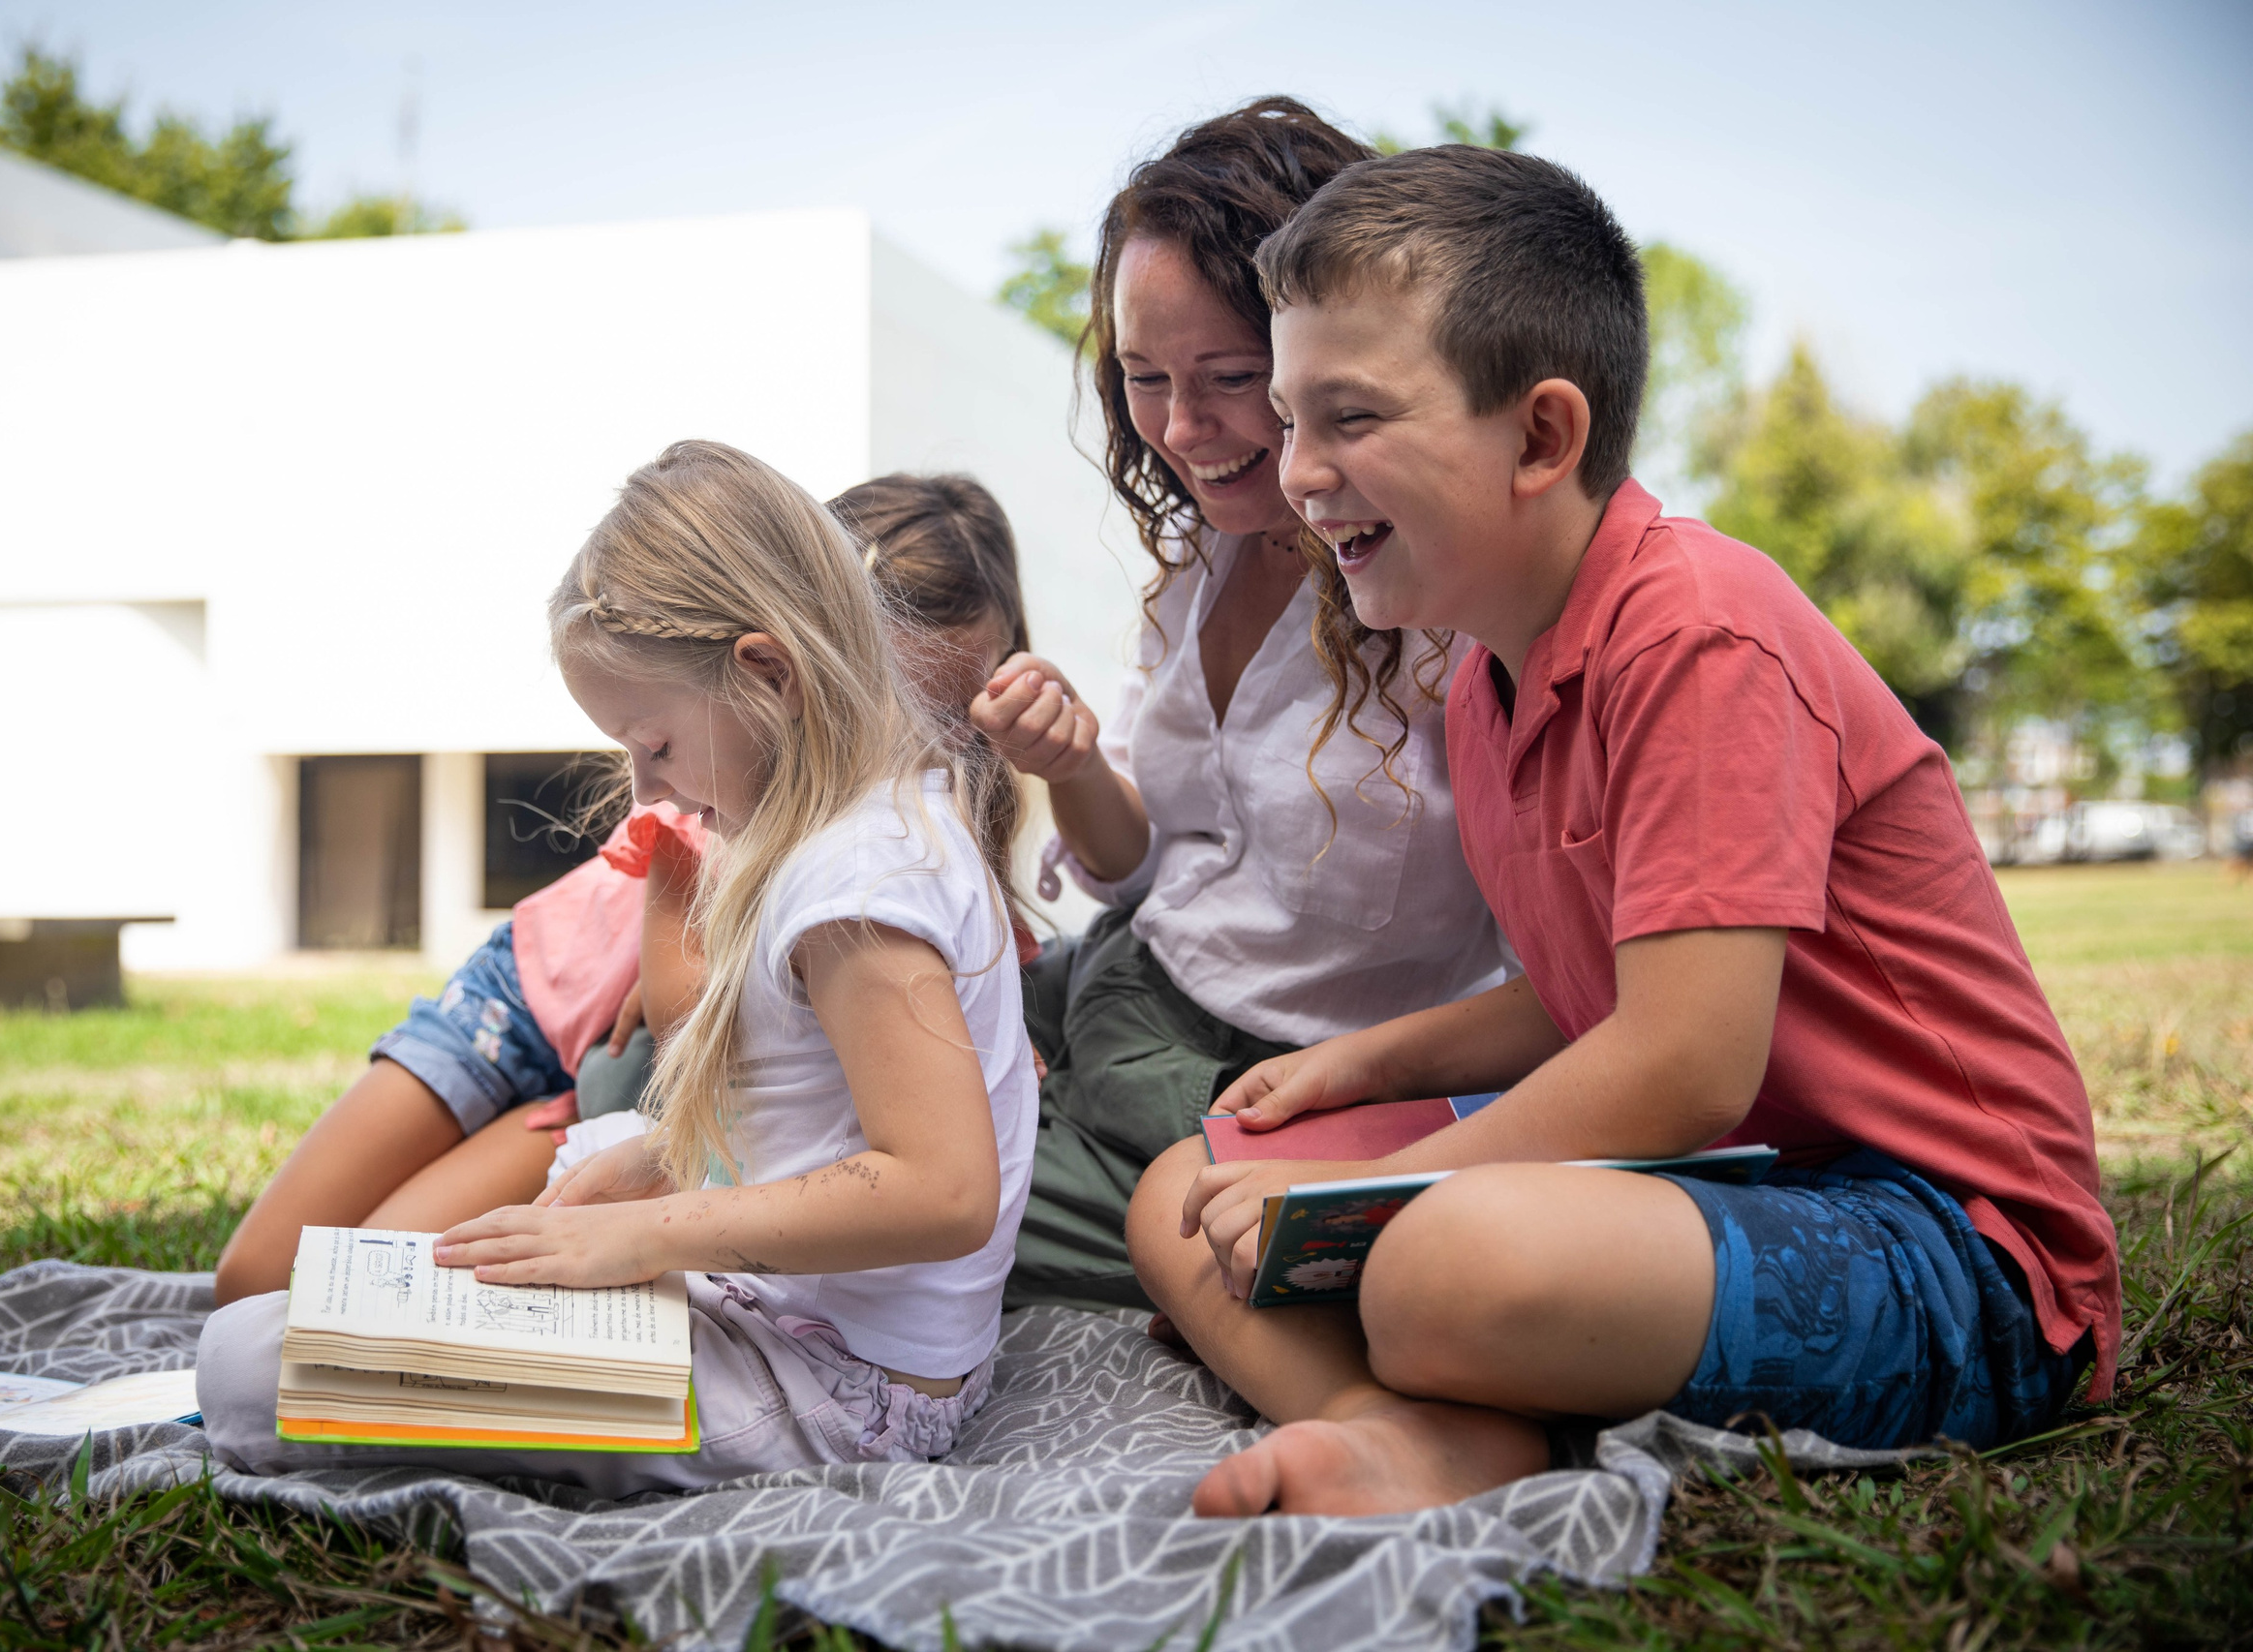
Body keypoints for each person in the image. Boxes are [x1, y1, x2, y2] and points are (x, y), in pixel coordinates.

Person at [1126, 144, 2119, 1516]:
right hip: (1726, 1183)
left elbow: (1687, 1059)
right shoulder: (1486, 667)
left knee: (1439, 1259)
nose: (1297, 472)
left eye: (1348, 418)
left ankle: (1437, 1360)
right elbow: (1592, 987)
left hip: (1956, 1243)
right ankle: (1409, 1431)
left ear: (1542, 436)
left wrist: (1375, 1188)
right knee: (1180, 1189)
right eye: (1289, 416)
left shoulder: (1699, 633)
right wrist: (1362, 1065)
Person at [199, 441, 1040, 1490]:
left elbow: (945, 1188)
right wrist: (652, 1175)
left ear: (768, 672)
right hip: (812, 1332)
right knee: (598, 1151)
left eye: (656, 744)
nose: (645, 789)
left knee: (242, 1365)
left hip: (832, 1388)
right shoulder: (865, 811)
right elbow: (809, 1108)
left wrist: (648, 1234)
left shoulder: (856, 884)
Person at [970, 98, 1510, 1313]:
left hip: (1259, 1077)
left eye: (1226, 379)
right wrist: (1064, 762)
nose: (1176, 431)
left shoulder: (1453, 606)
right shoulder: (1203, 560)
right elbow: (1141, 869)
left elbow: (1570, 978)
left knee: (914, 1198)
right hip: (1119, 981)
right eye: (1142, 379)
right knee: (718, 1064)